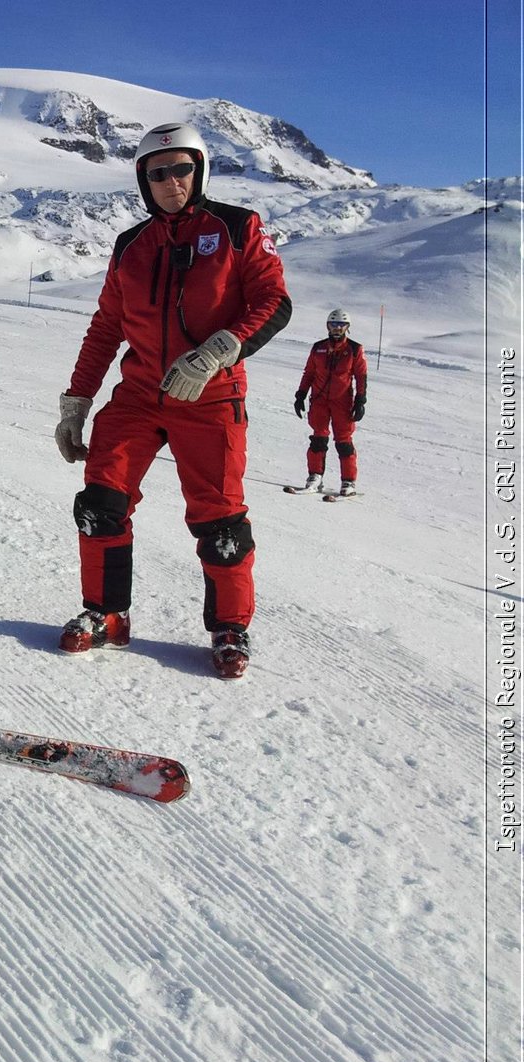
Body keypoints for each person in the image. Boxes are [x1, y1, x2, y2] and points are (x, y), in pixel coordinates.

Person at [53, 122, 292, 680]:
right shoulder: (131, 245)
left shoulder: (238, 228)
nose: (170, 181)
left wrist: (219, 350)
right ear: (143, 180)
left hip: (211, 396)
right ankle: (108, 613)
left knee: (221, 522)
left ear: (200, 169)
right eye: (156, 173)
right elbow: (107, 325)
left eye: (180, 168)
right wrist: (77, 400)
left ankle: (231, 628)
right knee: (99, 503)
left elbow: (273, 300)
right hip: (139, 395)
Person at [289, 307, 368, 496]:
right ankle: (315, 477)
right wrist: (300, 395)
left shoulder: (354, 349)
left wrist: (360, 400)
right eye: (333, 324)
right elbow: (309, 373)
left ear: (347, 327)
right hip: (319, 400)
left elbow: (361, 375)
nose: (337, 328)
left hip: (343, 401)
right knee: (318, 438)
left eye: (341, 325)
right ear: (328, 326)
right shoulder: (318, 348)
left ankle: (348, 481)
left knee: (344, 441)